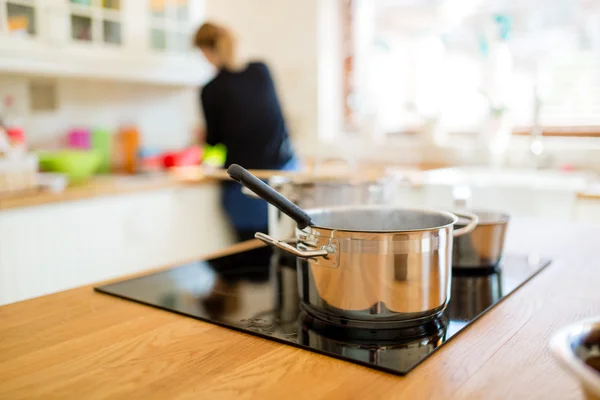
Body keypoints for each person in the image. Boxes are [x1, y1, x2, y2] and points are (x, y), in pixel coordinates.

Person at [193, 22, 300, 242]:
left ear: (206, 51)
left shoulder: (211, 89)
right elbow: (276, 121)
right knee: (288, 245)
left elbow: (214, 143)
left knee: (250, 251)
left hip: (249, 188)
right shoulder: (261, 70)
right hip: (288, 176)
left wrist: (205, 158)